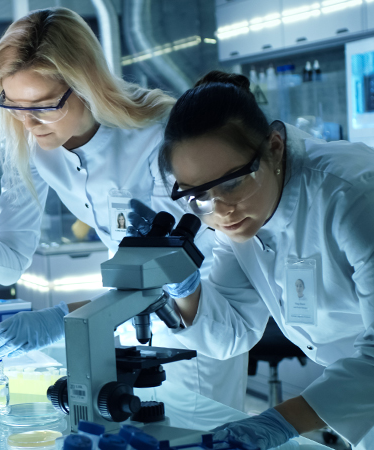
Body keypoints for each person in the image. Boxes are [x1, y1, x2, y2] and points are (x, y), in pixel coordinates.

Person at [0, 7, 248, 410]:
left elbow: (176, 269)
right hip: (122, 323)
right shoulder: (37, 146)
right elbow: (8, 263)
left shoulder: (159, 136)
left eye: (44, 105)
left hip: (197, 324)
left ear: (86, 85)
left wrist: (60, 320)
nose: (29, 122)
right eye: (14, 105)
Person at [142, 70, 374, 449]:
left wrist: (278, 422)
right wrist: (185, 288)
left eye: (232, 182)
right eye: (199, 195)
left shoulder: (352, 196)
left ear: (276, 147)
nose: (221, 211)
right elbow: (232, 331)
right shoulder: (239, 222)